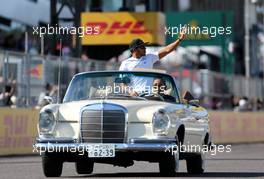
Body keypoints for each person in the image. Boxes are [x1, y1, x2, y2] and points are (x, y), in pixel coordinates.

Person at [119, 27, 186, 95]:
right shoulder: (125, 63)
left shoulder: (149, 57)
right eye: (142, 47)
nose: (145, 48)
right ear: (134, 50)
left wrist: (179, 40)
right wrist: (131, 91)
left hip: (149, 96)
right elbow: (122, 84)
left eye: (145, 46)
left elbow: (167, 50)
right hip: (135, 97)